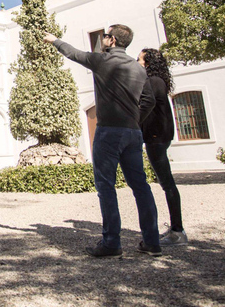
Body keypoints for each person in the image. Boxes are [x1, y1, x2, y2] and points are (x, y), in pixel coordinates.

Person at [44, 25, 161, 258]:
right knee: (141, 186)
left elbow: (74, 53)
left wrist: (54, 40)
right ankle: (152, 242)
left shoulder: (103, 61)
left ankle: (111, 244)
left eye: (105, 36)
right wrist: (134, 120)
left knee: (106, 187)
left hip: (109, 132)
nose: (103, 40)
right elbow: (149, 100)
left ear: (113, 40)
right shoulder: (139, 70)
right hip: (132, 133)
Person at [138, 48, 188, 246]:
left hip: (156, 136)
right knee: (165, 182)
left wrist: (134, 122)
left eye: (139, 59)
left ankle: (178, 231)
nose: (137, 62)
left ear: (148, 63)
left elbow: (147, 105)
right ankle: (176, 228)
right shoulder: (158, 81)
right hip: (160, 135)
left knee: (167, 183)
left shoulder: (152, 82)